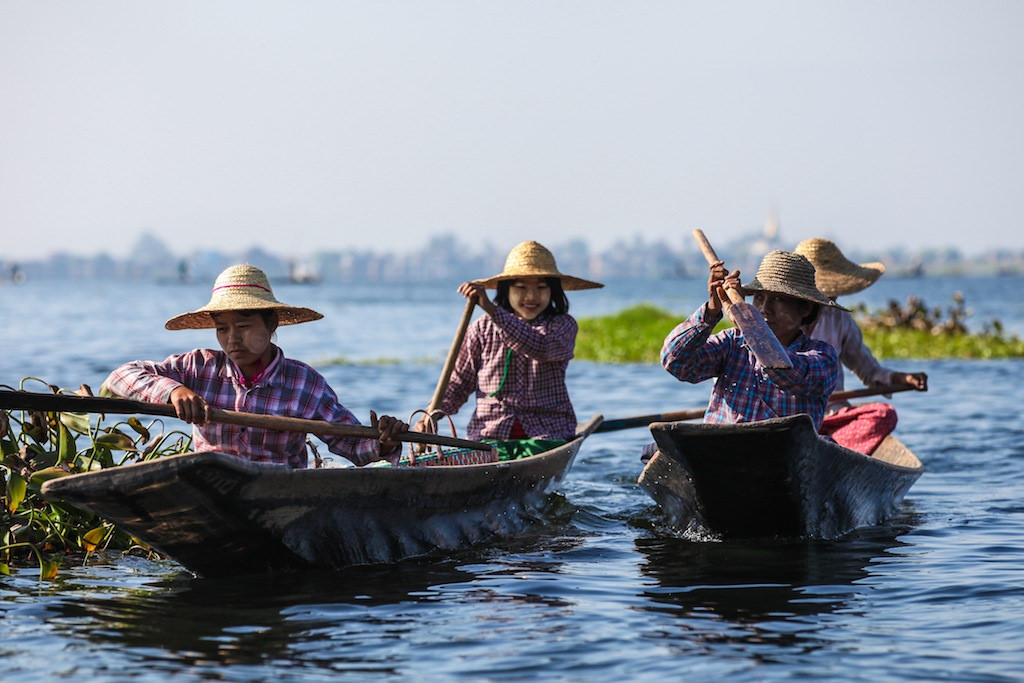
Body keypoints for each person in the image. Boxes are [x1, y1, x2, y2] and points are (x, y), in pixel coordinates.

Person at [104, 264, 407, 468]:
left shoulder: (304, 384)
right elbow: (122, 376)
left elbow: (352, 446)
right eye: (222, 329)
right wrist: (174, 391)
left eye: (244, 326)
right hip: (212, 492)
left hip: (278, 498)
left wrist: (384, 442)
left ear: (271, 323)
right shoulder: (199, 367)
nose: (232, 340)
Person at [417, 241, 602, 460]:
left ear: (553, 291)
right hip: (490, 435)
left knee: (532, 458)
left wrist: (493, 311)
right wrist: (430, 416)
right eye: (521, 288)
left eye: (541, 288)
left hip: (547, 435)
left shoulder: (562, 325)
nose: (531, 296)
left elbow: (540, 347)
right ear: (507, 290)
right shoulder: (481, 328)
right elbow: (458, 383)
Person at [647, 250, 840, 460]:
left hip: (781, 458)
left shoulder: (822, 356)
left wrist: (748, 324)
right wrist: (712, 309)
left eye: (777, 299)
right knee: (654, 451)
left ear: (805, 308)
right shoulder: (732, 342)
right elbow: (675, 361)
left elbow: (783, 371)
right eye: (758, 298)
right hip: (722, 452)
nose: (765, 309)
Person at [794, 238, 928, 454]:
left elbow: (869, 370)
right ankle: (828, 446)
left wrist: (902, 378)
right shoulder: (779, 320)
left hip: (833, 418)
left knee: (884, 415)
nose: (832, 296)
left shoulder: (839, 319)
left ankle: (834, 448)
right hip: (790, 420)